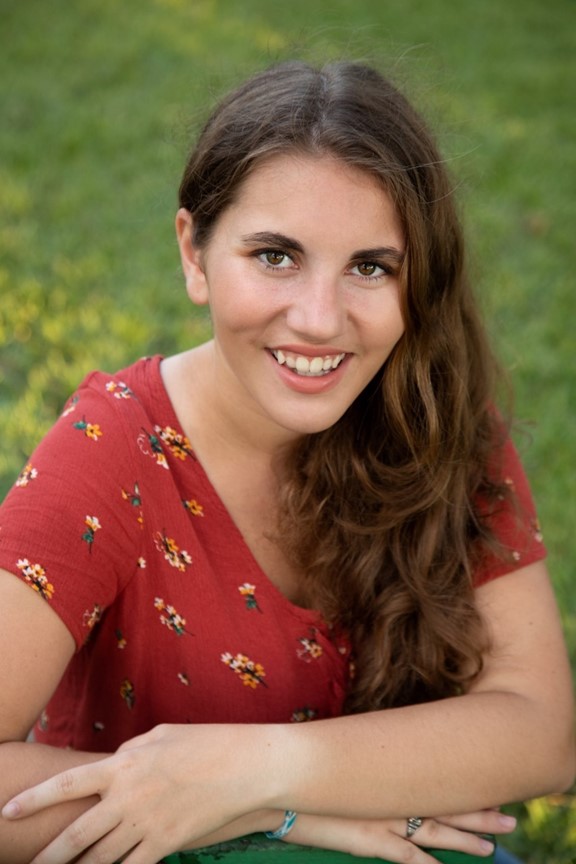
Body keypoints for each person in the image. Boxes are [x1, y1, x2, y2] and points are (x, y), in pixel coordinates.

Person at [0, 60, 573, 864]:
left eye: (371, 267)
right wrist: (265, 814)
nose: (317, 318)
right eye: (275, 255)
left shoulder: (438, 422)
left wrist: (253, 771)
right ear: (194, 254)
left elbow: (542, 729)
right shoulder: (110, 457)